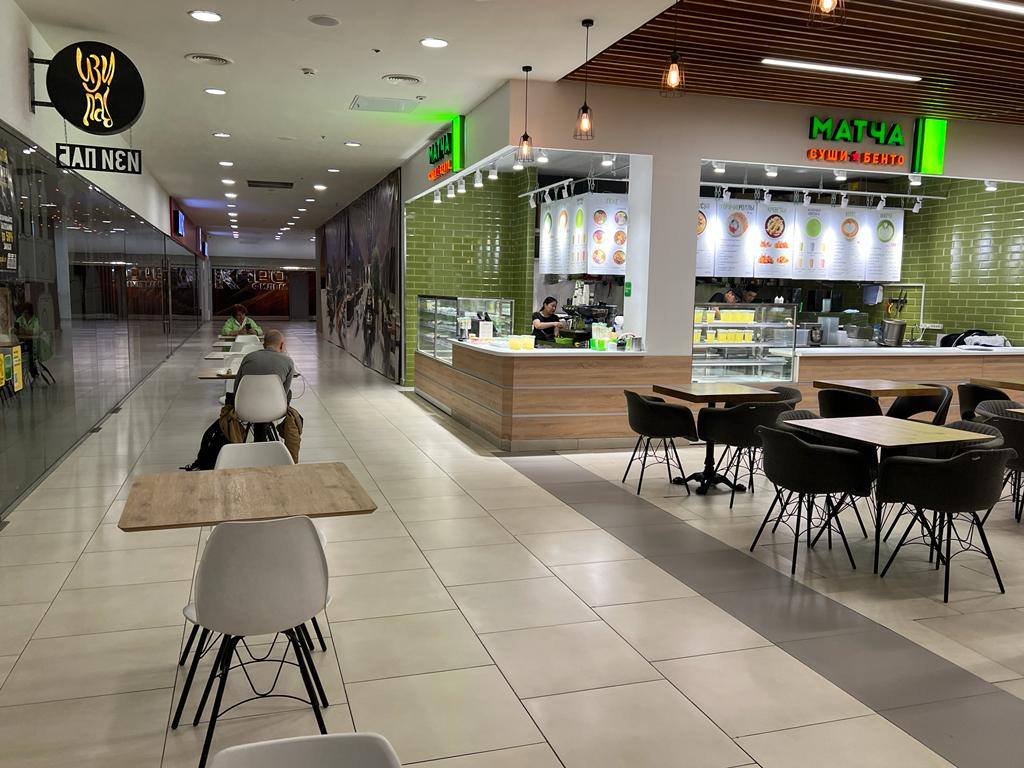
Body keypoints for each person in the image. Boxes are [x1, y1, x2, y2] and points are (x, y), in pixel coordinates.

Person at [231, 329, 302, 457]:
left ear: (264, 344)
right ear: (282, 345)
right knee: (285, 394)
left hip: (244, 408)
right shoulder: (288, 362)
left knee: (258, 399)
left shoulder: (248, 358)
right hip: (275, 409)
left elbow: (236, 388)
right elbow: (283, 394)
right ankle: (268, 438)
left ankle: (259, 438)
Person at [13, 302, 40, 379]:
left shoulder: (35, 320)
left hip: (33, 344)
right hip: (22, 342)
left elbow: (35, 332)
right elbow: (16, 329)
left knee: (30, 355)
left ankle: (33, 372)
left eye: (25, 312)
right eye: (23, 312)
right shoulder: (20, 319)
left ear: (28, 312)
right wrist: (16, 330)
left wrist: (25, 331)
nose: (24, 314)